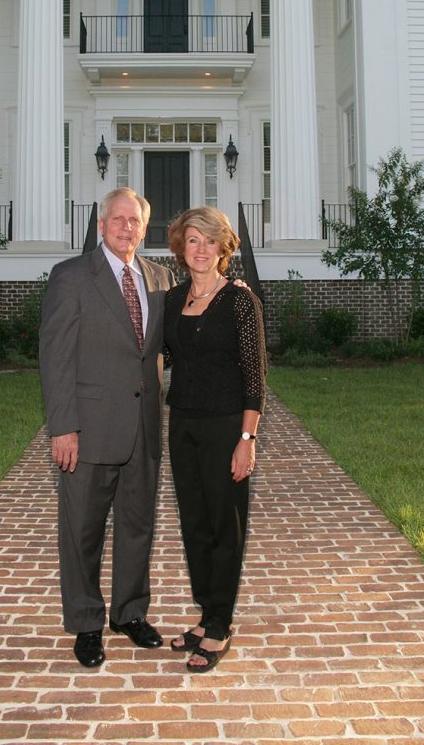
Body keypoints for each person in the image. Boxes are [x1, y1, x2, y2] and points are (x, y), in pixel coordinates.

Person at [39, 187, 175, 669]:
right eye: (116, 219)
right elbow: (55, 357)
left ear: (144, 226)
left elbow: (182, 331)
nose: (125, 227)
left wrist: (228, 290)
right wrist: (62, 426)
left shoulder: (159, 278)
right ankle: (86, 623)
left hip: (142, 428)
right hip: (89, 428)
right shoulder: (72, 276)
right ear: (101, 225)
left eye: (134, 220)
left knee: (138, 526)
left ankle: (129, 613)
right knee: (82, 530)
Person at [164, 206, 267, 672]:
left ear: (223, 248)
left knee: (226, 525)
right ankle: (207, 614)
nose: (201, 249)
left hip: (226, 425)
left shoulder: (240, 301)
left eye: (209, 241)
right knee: (194, 523)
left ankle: (222, 624)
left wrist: (247, 437)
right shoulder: (172, 300)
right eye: (192, 241)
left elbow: (254, 378)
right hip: (182, 424)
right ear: (181, 248)